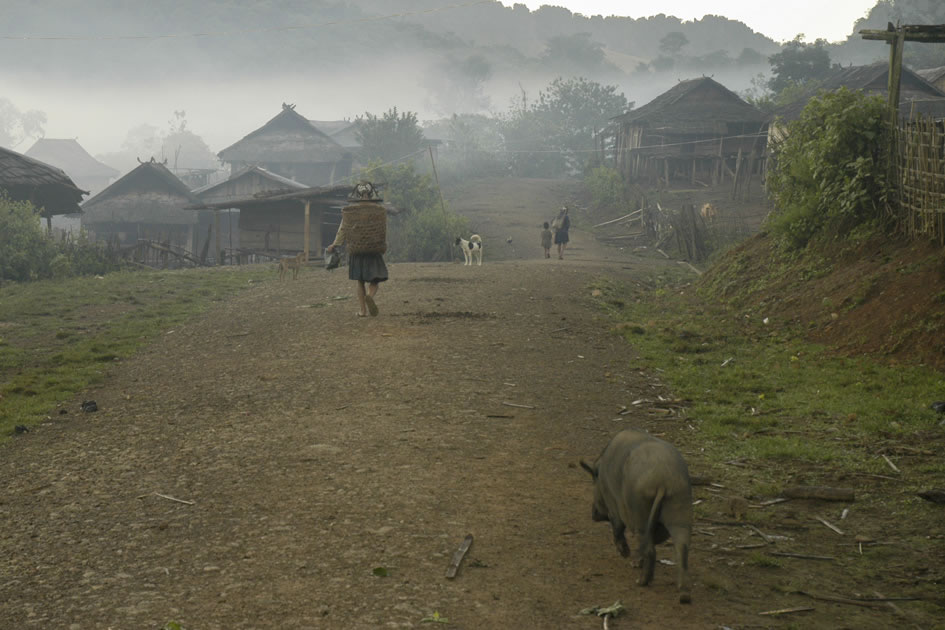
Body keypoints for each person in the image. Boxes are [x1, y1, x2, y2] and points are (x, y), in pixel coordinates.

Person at [326, 214, 388, 317]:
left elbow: (343, 229)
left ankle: (363, 311)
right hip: (373, 249)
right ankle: (370, 296)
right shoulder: (376, 210)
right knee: (375, 280)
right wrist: (382, 245)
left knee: (360, 281)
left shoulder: (351, 211)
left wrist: (335, 244)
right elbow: (382, 229)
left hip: (357, 249)